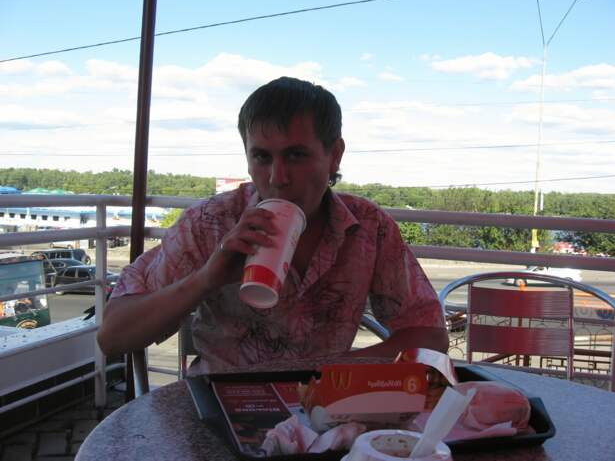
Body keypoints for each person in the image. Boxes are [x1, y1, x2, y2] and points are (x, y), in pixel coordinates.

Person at [97, 77, 448, 373]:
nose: (278, 178)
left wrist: (328, 373)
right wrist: (207, 278)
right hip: (222, 403)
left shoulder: (368, 228)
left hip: (324, 408)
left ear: (335, 155)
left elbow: (429, 335)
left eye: (296, 155)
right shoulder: (211, 222)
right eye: (262, 157)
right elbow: (113, 336)